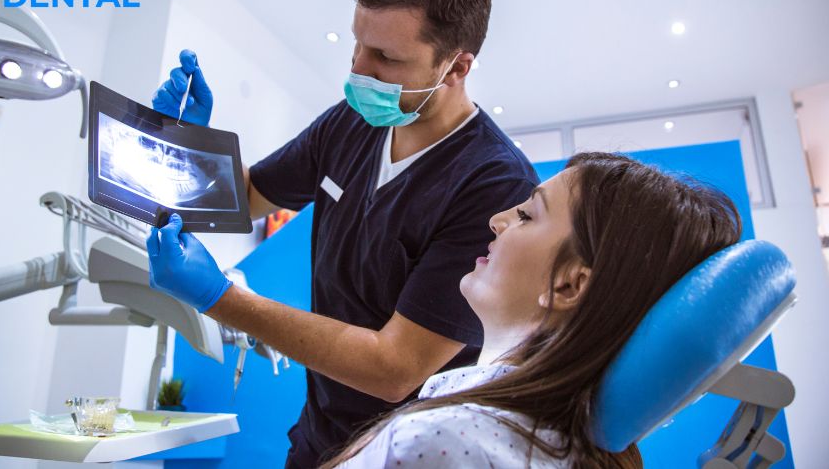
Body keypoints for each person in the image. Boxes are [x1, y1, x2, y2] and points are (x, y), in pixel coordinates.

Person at [147, 0, 540, 467]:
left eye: (385, 58)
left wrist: (221, 298)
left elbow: (394, 368)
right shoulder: (349, 123)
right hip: (318, 439)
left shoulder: (494, 185)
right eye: (358, 45)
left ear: (456, 66)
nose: (358, 70)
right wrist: (192, 145)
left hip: (410, 453)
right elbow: (245, 198)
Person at [317, 152, 742, 468]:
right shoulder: (570, 449)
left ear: (570, 284)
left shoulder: (434, 443)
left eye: (525, 215)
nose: (497, 220)